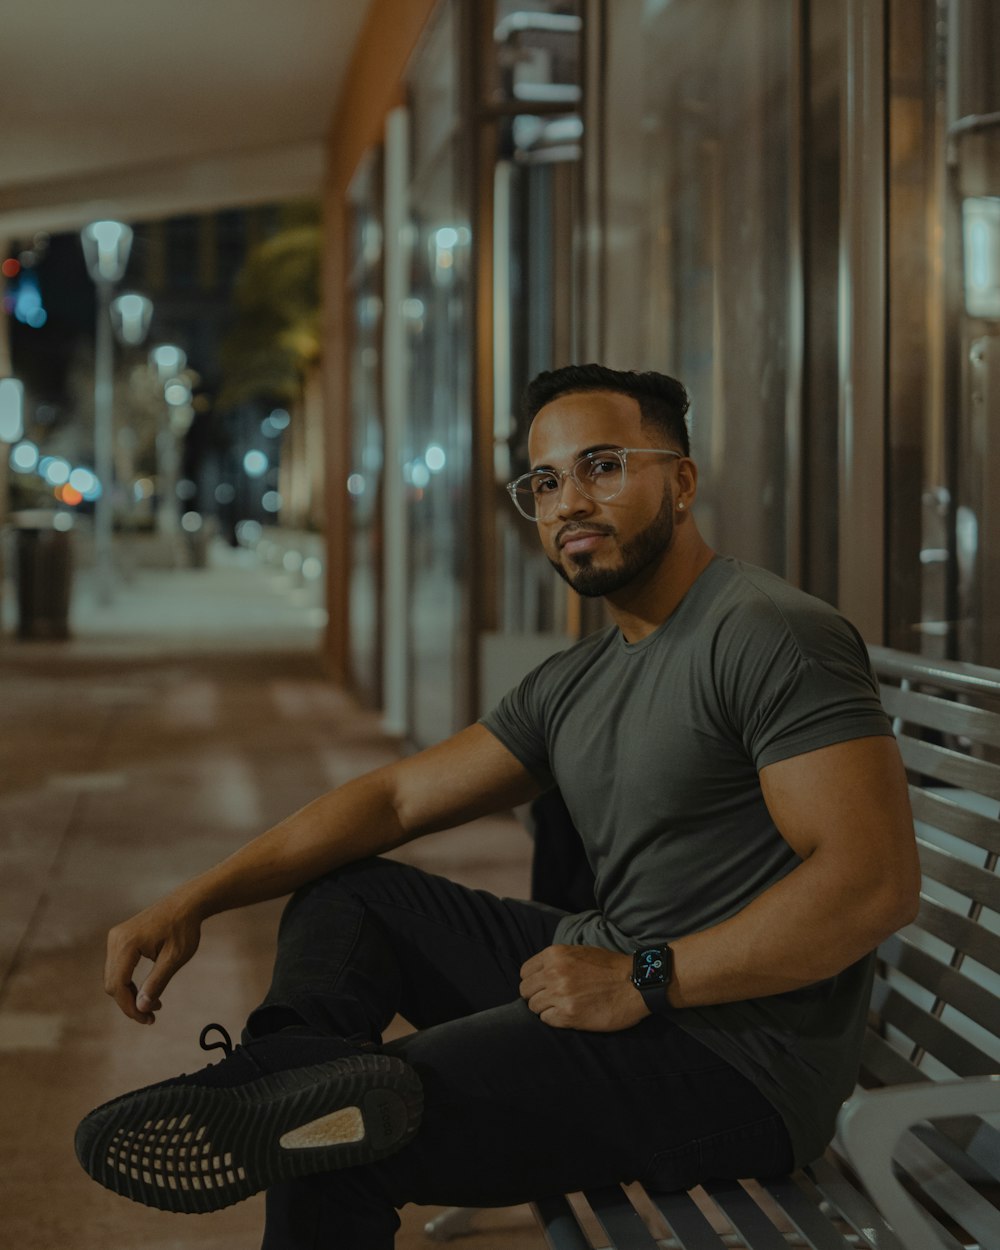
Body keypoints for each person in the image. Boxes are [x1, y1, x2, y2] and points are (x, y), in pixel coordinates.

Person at [76, 364, 920, 1249]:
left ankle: (301, 1109)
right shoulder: (580, 677)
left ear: (681, 479)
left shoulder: (769, 635)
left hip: (739, 1058)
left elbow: (873, 886)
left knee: (345, 1138)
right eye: (546, 482)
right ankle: (285, 1080)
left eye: (603, 466)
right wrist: (197, 896)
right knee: (348, 901)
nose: (567, 503)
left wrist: (644, 978)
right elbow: (395, 798)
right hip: (623, 974)